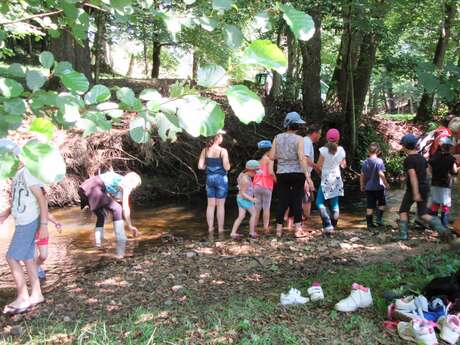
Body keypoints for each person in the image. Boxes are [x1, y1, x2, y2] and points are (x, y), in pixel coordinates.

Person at [0, 140, 46, 314]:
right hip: (22, 220)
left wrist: (44, 225)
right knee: (28, 258)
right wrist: (6, 213)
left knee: (11, 257)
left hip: (29, 222)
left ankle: (22, 297)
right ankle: (37, 294)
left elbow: (41, 198)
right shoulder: (18, 175)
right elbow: (21, 200)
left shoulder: (29, 171)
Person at [398, 134, 450, 241]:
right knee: (423, 214)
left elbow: (413, 176)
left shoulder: (408, 160)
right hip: (424, 187)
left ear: (405, 146)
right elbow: (428, 174)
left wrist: (416, 192)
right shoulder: (422, 158)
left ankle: (403, 235)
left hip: (413, 189)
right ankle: (443, 230)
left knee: (403, 210)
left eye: (402, 145)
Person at [79, 171, 141, 257]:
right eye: (135, 186)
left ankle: (99, 241)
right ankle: (121, 239)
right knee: (117, 208)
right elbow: (125, 207)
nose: (134, 188)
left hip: (85, 187)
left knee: (101, 215)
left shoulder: (119, 180)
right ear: (133, 182)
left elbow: (109, 198)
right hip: (94, 187)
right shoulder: (126, 184)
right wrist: (130, 226)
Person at [269, 111, 308, 238]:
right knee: (297, 200)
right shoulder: (300, 139)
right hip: (297, 173)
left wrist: (283, 156)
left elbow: (271, 156)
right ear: (297, 126)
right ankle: (297, 230)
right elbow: (301, 158)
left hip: (282, 173)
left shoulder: (277, 137)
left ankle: (279, 230)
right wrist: (307, 176)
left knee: (283, 201)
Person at [198, 130, 230, 234]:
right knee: (221, 206)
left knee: (210, 205)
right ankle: (220, 229)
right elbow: (227, 167)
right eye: (222, 136)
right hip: (221, 179)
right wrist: (228, 166)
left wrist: (209, 166)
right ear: (218, 137)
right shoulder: (223, 151)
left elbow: (200, 166)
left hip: (210, 179)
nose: (222, 138)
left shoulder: (205, 150)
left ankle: (210, 228)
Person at [316, 129, 346, 235]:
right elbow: (344, 165)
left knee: (319, 202)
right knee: (335, 203)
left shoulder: (323, 150)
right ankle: (333, 225)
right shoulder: (341, 150)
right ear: (338, 138)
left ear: (327, 138)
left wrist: (319, 173)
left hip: (326, 178)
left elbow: (318, 166)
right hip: (337, 178)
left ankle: (328, 224)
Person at [429, 137, 458, 227]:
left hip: (434, 182)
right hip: (445, 184)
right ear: (450, 148)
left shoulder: (434, 157)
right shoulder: (451, 158)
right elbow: (454, 171)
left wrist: (433, 175)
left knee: (435, 203)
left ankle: (434, 224)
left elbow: (429, 169)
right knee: (445, 205)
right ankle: (444, 225)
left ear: (441, 147)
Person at [360, 143, 390, 229]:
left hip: (368, 188)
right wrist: (386, 184)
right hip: (379, 187)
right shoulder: (379, 161)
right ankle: (379, 221)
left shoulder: (365, 162)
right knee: (381, 204)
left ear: (368, 152)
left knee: (370, 206)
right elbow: (381, 174)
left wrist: (362, 185)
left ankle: (369, 224)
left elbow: (362, 175)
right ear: (377, 152)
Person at [35, 188, 62, 281]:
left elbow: (46, 213)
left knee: (43, 255)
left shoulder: (43, 198)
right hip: (30, 231)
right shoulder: (28, 201)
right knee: (33, 255)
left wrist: (56, 223)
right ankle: (36, 272)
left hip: (43, 231)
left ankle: (36, 266)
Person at [230, 160, 260, 239]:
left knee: (241, 216)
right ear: (250, 170)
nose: (256, 173)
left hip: (240, 199)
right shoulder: (246, 180)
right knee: (254, 213)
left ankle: (233, 233)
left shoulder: (242, 174)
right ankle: (251, 232)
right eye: (255, 171)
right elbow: (243, 193)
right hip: (244, 199)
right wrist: (252, 199)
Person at [253, 140, 276, 235]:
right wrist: (276, 179)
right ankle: (265, 229)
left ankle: (253, 228)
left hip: (256, 185)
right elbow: (270, 172)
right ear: (268, 149)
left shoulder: (255, 160)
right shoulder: (269, 159)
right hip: (267, 185)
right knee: (266, 208)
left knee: (257, 208)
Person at [303, 124, 321, 221]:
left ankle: (305, 220)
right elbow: (304, 159)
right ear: (314, 133)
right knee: (306, 198)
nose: (320, 136)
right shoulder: (306, 141)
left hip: (306, 174)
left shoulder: (307, 141)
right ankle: (306, 220)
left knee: (308, 197)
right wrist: (316, 166)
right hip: (304, 174)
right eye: (319, 134)